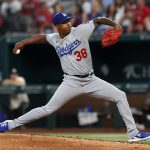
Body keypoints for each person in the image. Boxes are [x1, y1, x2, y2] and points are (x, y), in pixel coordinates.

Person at [0, 12, 150, 142]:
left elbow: (98, 19)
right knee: (48, 109)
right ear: (57, 26)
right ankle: (10, 124)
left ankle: (133, 133)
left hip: (91, 80)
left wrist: (115, 25)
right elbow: (42, 37)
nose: (68, 24)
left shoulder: (80, 31)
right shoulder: (54, 38)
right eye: (64, 22)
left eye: (68, 21)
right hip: (70, 81)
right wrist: (22, 43)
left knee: (120, 95)